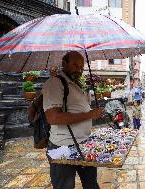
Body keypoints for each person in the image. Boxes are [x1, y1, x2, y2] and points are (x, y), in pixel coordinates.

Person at [42, 51, 103, 189]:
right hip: (63, 147)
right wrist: (90, 115)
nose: (79, 70)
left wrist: (91, 112)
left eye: (82, 67)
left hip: (83, 144)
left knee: (91, 184)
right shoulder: (55, 83)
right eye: (75, 65)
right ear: (64, 64)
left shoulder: (75, 83)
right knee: (65, 186)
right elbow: (53, 117)